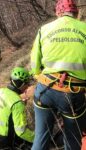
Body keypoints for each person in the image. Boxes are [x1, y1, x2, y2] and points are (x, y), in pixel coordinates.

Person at [30, 0, 86, 150]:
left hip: (45, 90)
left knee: (40, 138)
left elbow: (34, 66)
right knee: (73, 141)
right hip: (73, 94)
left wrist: (38, 77)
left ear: (58, 13)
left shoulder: (44, 29)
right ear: (76, 13)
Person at [0, 67, 34, 150]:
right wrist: (36, 138)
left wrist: (19, 104)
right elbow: (21, 132)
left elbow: (5, 108)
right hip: (5, 139)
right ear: (22, 84)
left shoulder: (0, 91)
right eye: (27, 84)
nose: (27, 87)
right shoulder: (17, 102)